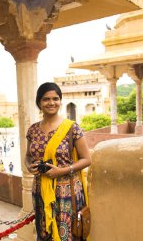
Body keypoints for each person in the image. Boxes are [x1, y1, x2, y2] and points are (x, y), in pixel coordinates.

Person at [25, 82, 91, 241]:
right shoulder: (33, 130)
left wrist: (61, 171)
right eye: (46, 99)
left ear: (61, 101)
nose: (51, 102)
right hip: (41, 190)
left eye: (55, 98)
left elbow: (87, 159)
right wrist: (29, 167)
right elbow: (28, 156)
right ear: (39, 103)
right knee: (44, 233)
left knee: (66, 234)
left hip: (67, 193)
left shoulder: (71, 128)